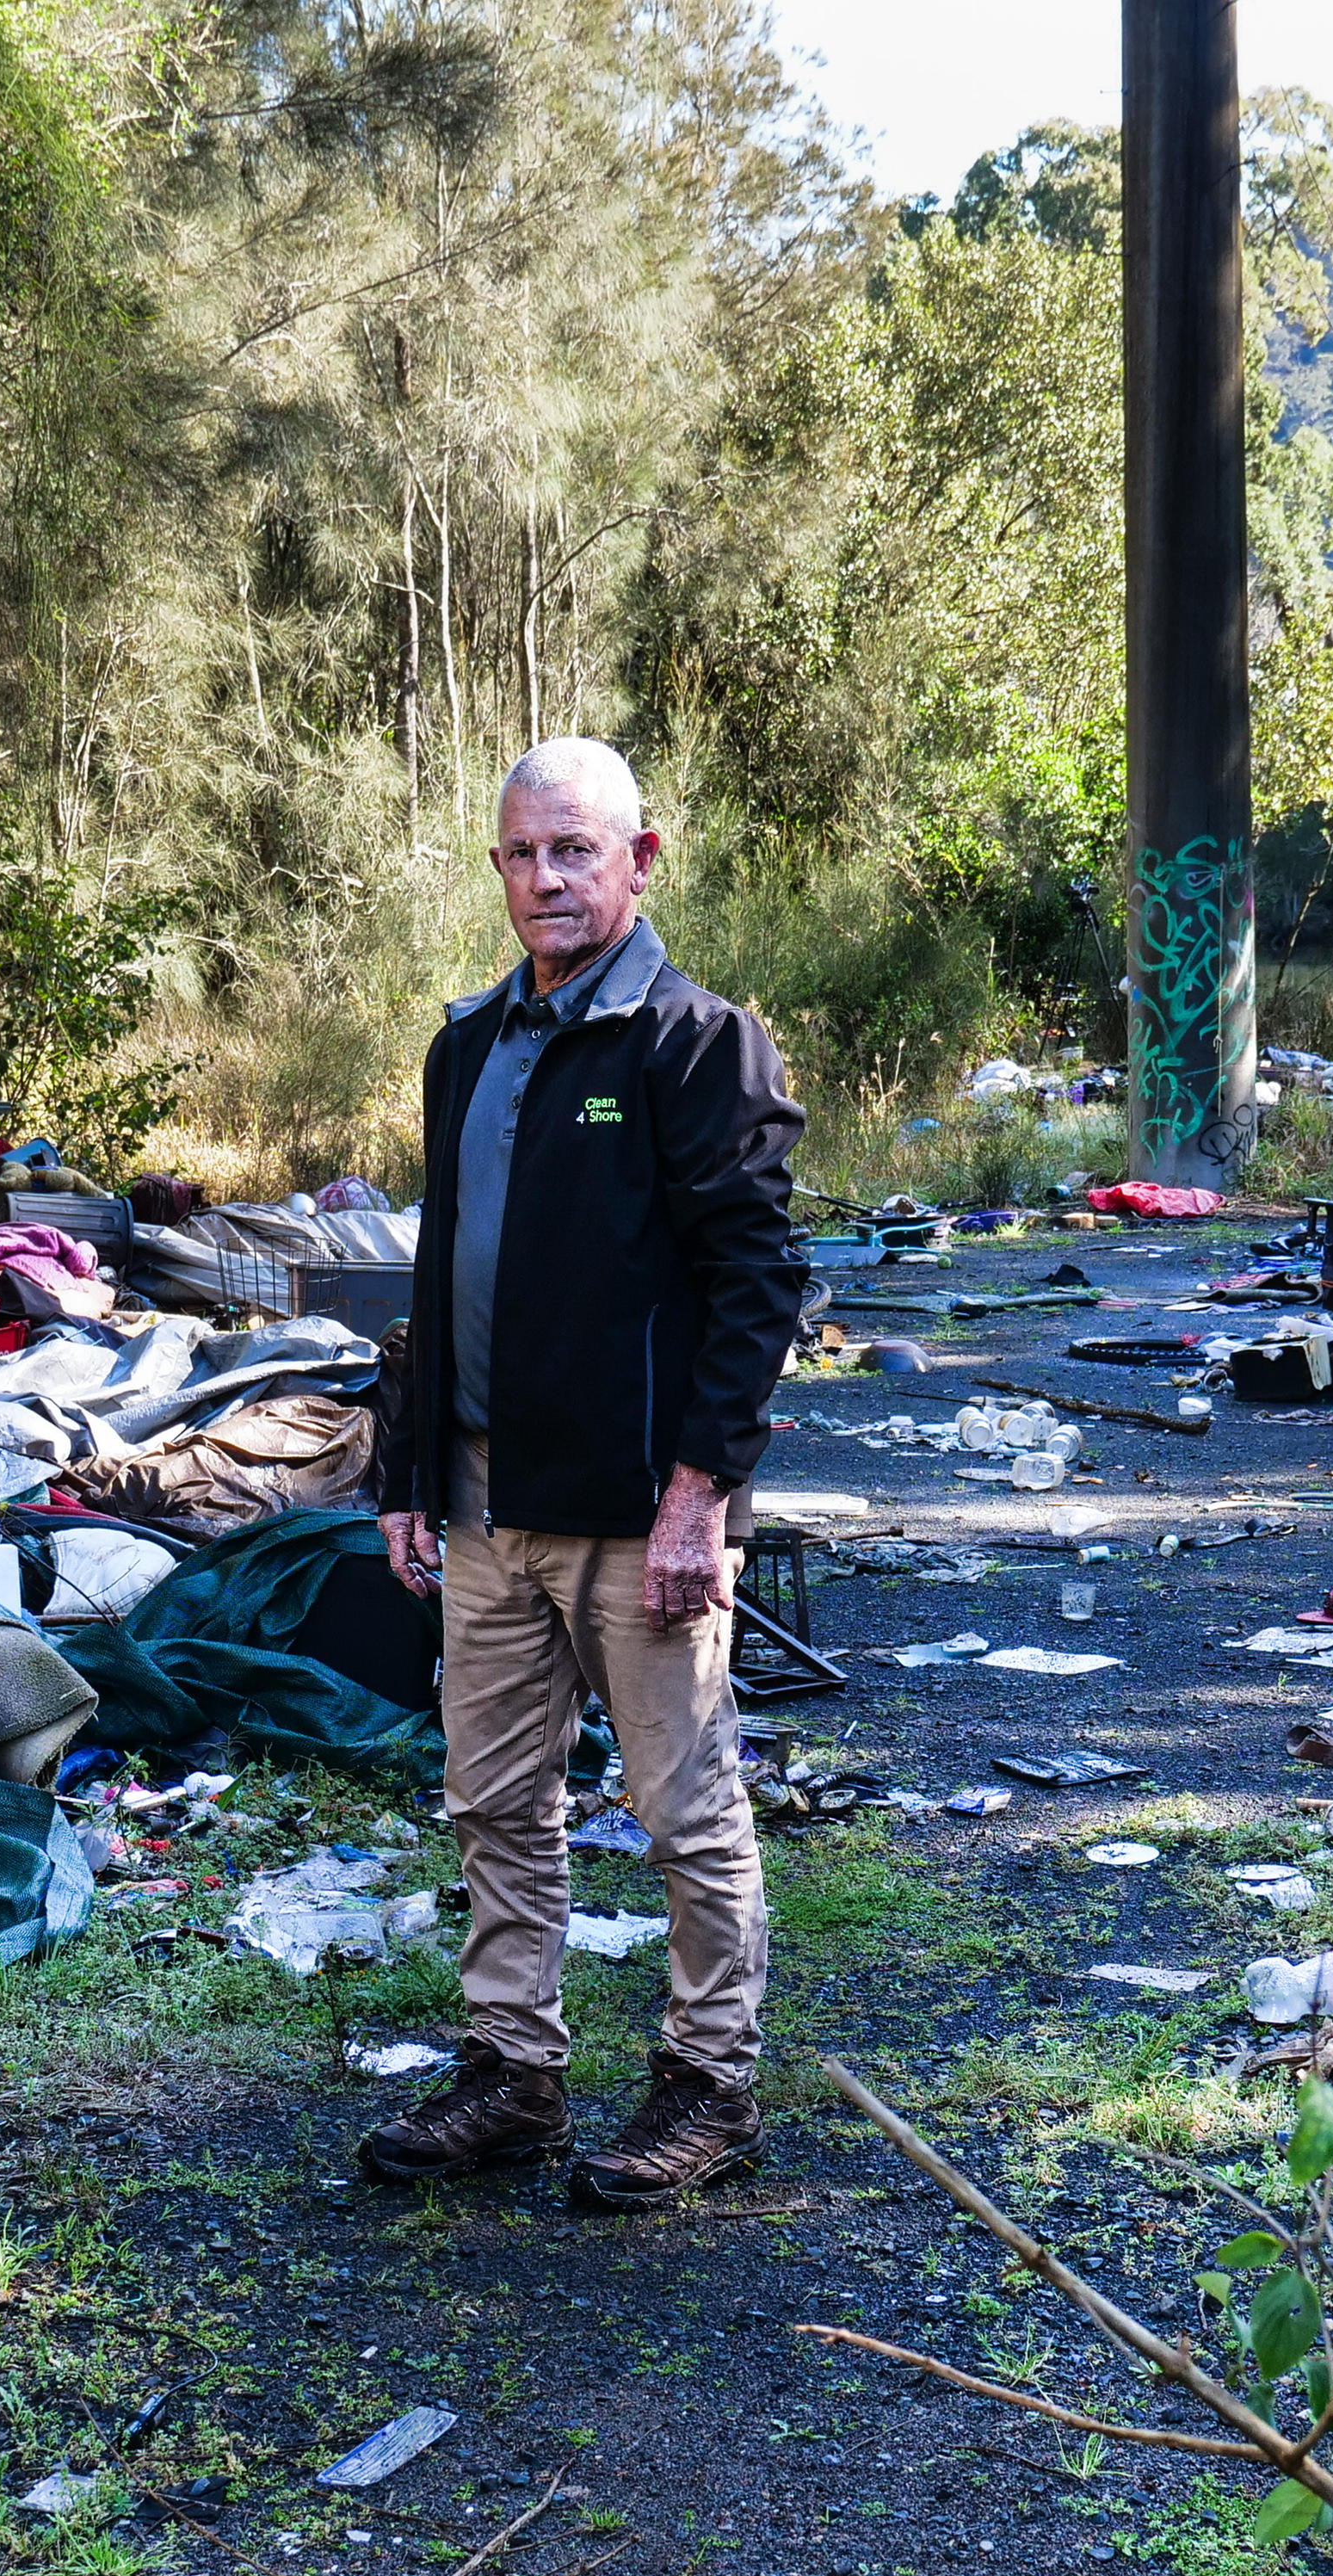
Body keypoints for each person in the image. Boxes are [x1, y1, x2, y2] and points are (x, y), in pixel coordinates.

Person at [361, 737, 811, 2210]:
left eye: (576, 850)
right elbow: (440, 1272)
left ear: (641, 857)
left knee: (684, 1806)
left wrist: (699, 1496)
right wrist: (406, 1463)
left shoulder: (695, 1044)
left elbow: (757, 1283)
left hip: (638, 1510)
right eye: (521, 853)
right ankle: (514, 2072)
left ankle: (709, 2086)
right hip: (487, 1498)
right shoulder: (468, 1044)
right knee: (495, 1800)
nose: (546, 877)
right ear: (496, 869)